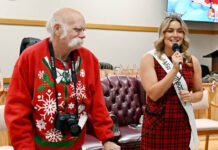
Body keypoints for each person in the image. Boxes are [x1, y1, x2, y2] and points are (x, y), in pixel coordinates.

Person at [4, 8, 120, 150]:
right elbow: (17, 110)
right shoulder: (29, 58)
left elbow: (98, 105)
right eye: (78, 30)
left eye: (84, 30)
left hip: (76, 144)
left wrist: (107, 139)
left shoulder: (89, 59)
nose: (83, 35)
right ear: (57, 29)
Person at [139, 13, 203, 150]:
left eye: (180, 31)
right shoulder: (150, 58)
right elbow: (153, 94)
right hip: (157, 126)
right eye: (170, 31)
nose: (176, 35)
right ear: (163, 34)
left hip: (182, 127)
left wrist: (191, 97)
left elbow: (199, 93)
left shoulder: (192, 61)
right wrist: (174, 70)